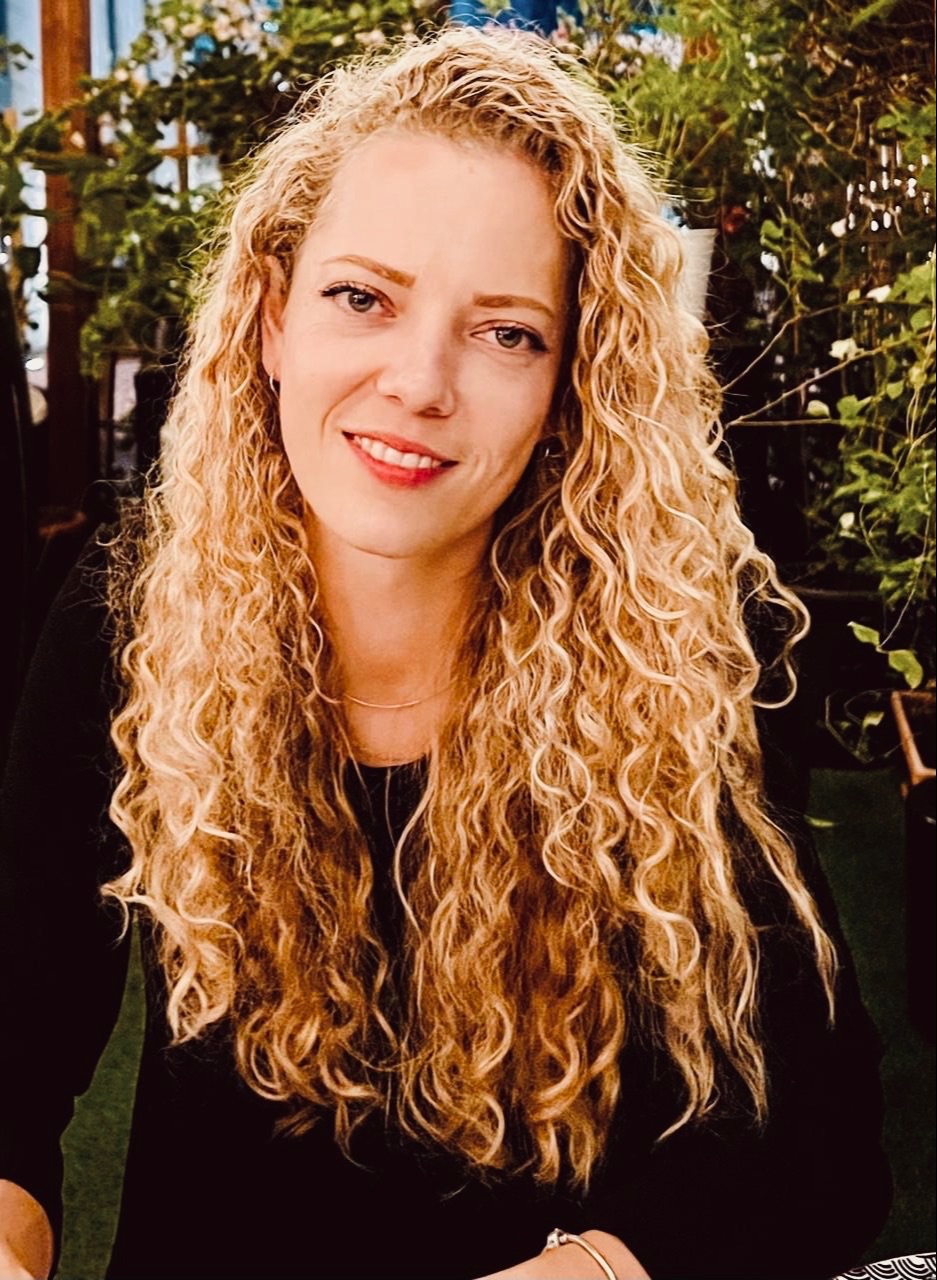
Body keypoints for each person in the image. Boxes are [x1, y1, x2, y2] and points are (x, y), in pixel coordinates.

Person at [0, 26, 891, 1280]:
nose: (419, 381)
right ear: (271, 317)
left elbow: (817, 1141)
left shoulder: (676, 646)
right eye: (361, 297)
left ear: (570, 384)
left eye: (508, 332)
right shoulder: (129, 608)